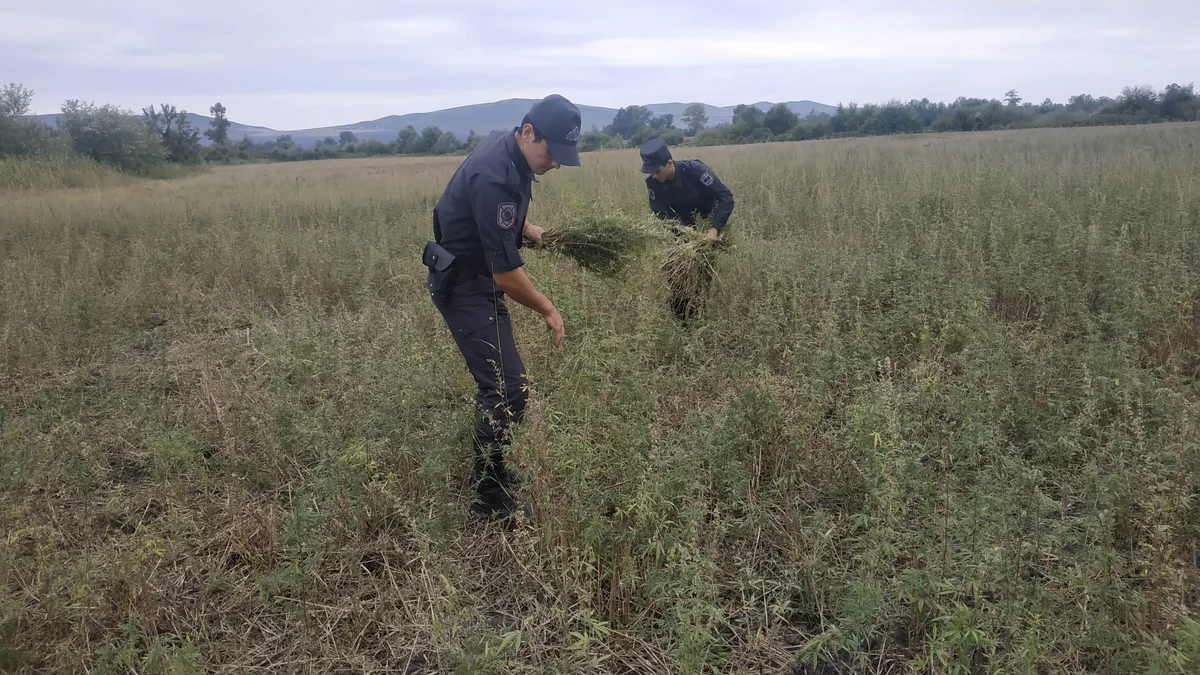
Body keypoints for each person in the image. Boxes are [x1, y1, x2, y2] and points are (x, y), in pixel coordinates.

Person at [422, 94, 582, 521]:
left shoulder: (511, 150)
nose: (556, 163)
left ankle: (492, 475)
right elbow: (506, 274)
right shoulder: (495, 175)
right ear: (528, 132)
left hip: (476, 276)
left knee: (508, 384)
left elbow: (494, 218)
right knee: (506, 388)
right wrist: (548, 309)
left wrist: (525, 227)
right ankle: (489, 499)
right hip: (464, 285)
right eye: (552, 152)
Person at [639, 137, 735, 322]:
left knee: (702, 278)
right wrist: (681, 229)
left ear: (669, 163)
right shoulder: (653, 183)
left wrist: (713, 230)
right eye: (650, 172)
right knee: (675, 275)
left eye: (657, 171)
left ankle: (699, 319)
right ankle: (681, 322)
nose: (654, 176)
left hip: (706, 229)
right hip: (680, 232)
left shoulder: (696, 171)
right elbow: (659, 211)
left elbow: (726, 197)